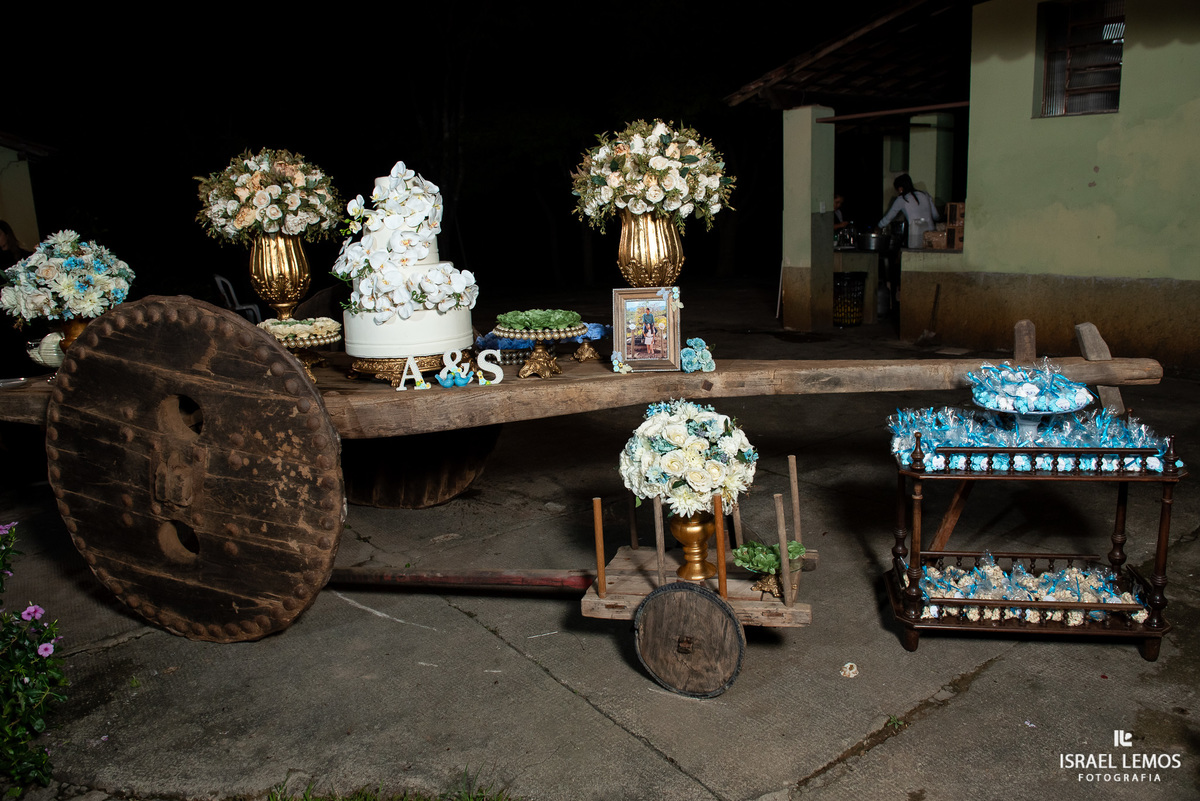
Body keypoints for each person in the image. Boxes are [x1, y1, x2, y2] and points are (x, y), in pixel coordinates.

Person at [877, 174, 940, 249]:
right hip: (932, 236)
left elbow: (888, 218)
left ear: (900, 189)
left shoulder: (901, 199)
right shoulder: (925, 195)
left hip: (916, 238)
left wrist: (878, 226)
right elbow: (936, 216)